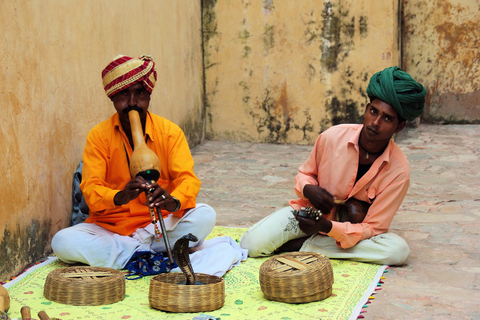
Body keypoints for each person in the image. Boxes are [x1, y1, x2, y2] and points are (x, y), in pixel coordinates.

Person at [240, 66, 426, 265]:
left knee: (397, 251)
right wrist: (309, 189)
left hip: (351, 233)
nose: (375, 122)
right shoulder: (332, 137)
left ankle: (304, 246)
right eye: (373, 111)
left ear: (399, 126)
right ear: (366, 109)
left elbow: (373, 228)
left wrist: (328, 227)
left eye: (387, 118)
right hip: (308, 217)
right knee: (250, 244)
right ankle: (318, 244)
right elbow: (304, 175)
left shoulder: (399, 171)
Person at [52, 55, 216, 269]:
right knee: (62, 242)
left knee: (205, 215)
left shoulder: (170, 133)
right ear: (112, 98)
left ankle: (131, 255)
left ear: (148, 95)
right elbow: (91, 189)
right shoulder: (99, 136)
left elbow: (188, 180)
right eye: (123, 94)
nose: (131, 103)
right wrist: (121, 196)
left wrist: (171, 201)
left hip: (158, 226)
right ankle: (151, 253)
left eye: (139, 93)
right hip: (111, 229)